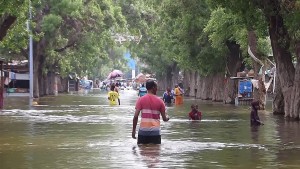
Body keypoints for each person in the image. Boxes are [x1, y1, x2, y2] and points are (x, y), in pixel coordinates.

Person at [132, 80, 169, 144]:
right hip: (155, 132)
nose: (157, 89)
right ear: (153, 88)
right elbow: (164, 119)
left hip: (143, 131)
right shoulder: (160, 101)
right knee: (155, 152)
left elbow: (135, 116)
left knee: (142, 152)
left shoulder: (140, 100)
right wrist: (168, 116)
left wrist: (133, 130)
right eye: (156, 87)